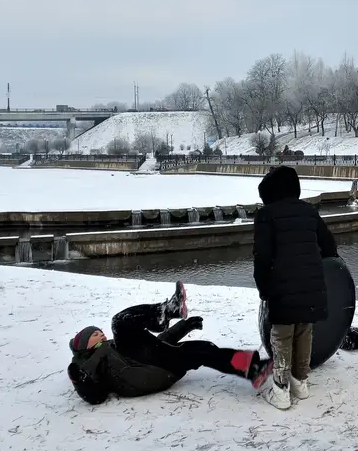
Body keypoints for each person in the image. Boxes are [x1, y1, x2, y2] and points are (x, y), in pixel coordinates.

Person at [67, 282, 273, 404]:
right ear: (84, 342)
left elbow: (155, 344)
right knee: (119, 322)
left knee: (203, 349)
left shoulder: (112, 347)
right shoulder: (87, 363)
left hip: (154, 366)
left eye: (100, 333)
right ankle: (167, 311)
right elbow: (96, 397)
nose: (101, 335)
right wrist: (79, 381)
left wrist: (184, 327)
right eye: (96, 334)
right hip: (142, 375)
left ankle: (252, 369)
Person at [253, 165, 337, 411]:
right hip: (312, 286)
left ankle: (280, 390)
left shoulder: (266, 215)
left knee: (281, 334)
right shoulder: (309, 212)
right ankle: (300, 383)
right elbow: (330, 247)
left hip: (281, 287)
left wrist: (264, 288)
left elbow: (262, 257)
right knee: (304, 330)